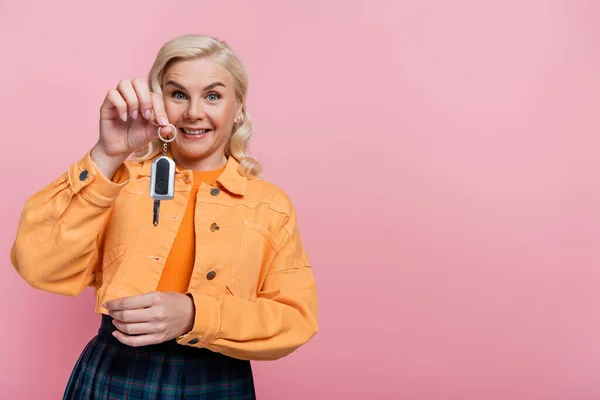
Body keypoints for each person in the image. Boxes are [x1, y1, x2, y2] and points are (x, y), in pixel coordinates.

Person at [10, 33, 319, 399]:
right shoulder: (117, 181)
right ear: (159, 102)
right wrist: (107, 155)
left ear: (238, 108)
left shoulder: (270, 205)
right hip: (116, 373)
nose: (193, 112)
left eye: (213, 96)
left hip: (216, 379)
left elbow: (296, 320)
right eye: (178, 94)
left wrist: (193, 314)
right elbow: (39, 266)